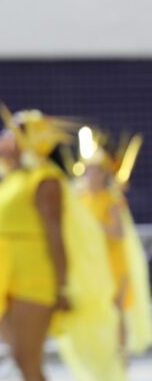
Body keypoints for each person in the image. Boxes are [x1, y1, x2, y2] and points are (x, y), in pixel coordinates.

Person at [0, 108, 124, 381]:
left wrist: (62, 286)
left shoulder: (45, 180)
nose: (4, 137)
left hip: (33, 279)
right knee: (20, 359)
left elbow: (55, 235)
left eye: (14, 132)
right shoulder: (10, 179)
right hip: (2, 276)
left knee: (27, 360)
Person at [75, 129, 151, 357]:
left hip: (113, 261)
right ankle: (99, 353)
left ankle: (119, 356)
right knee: (94, 309)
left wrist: (94, 228)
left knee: (116, 309)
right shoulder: (81, 198)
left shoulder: (112, 199)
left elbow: (118, 232)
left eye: (98, 171)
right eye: (90, 170)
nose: (93, 175)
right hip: (91, 262)